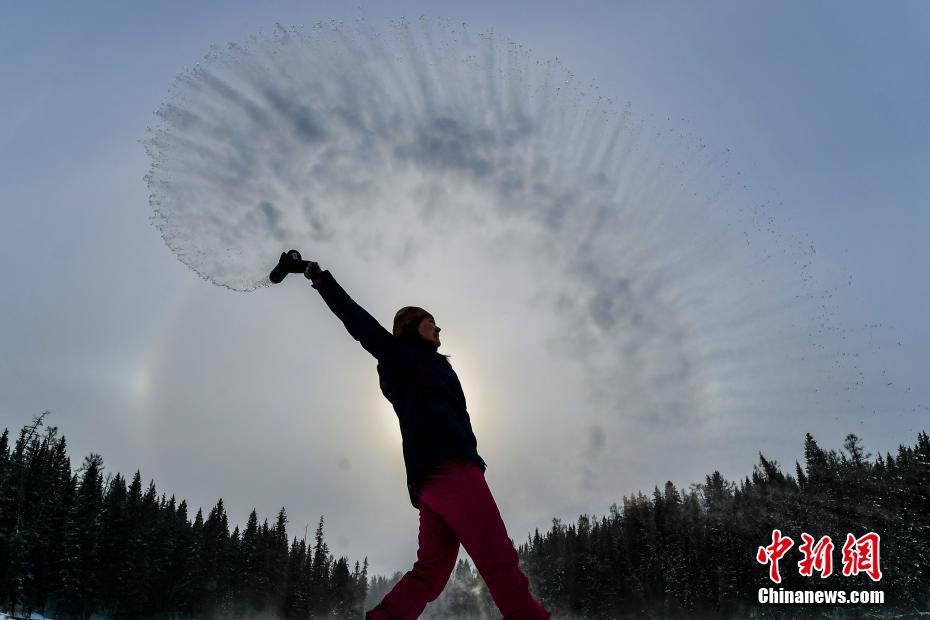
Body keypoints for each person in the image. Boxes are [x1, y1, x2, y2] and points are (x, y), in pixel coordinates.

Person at [271, 251, 550, 619]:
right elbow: (357, 320)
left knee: (429, 575)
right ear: (411, 326)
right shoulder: (401, 357)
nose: (438, 328)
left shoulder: (435, 365)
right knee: (499, 560)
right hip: (451, 471)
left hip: (431, 482)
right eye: (430, 322)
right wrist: (316, 275)